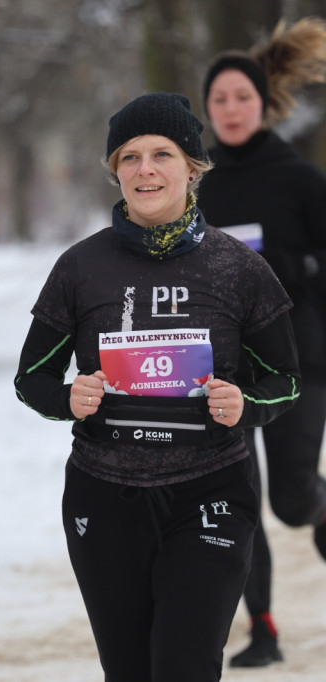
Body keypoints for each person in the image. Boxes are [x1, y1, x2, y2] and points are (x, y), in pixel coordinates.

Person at [14, 92, 302, 681]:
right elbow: (31, 378)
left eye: (163, 154)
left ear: (192, 168)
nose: (146, 170)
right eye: (130, 157)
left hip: (210, 490)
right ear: (115, 171)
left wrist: (246, 403)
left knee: (184, 667)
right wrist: (67, 397)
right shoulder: (80, 267)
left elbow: (287, 381)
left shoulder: (239, 268)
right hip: (104, 497)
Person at [197, 17, 326, 668]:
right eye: (219, 99)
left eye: (241, 97)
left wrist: (302, 274)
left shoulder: (301, 181)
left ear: (261, 102)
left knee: (294, 499)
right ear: (208, 110)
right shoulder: (202, 187)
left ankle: (319, 512)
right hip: (227, 370)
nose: (230, 109)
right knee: (240, 502)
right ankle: (264, 629)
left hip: (301, 362)